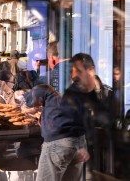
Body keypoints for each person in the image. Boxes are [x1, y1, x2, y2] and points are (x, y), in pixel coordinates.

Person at [34, 53, 113, 181]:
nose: (74, 75)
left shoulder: (79, 91)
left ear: (91, 70)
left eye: (78, 71)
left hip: (61, 143)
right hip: (76, 143)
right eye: (73, 71)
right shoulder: (89, 91)